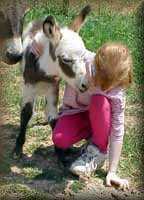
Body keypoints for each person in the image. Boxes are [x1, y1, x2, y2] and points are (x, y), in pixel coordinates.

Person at [52, 42, 132, 190]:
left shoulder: (117, 91)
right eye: (99, 80)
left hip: (101, 114)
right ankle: (93, 134)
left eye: (110, 86)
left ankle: (98, 150)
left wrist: (112, 172)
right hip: (75, 112)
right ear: (95, 63)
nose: (103, 87)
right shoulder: (81, 62)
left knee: (99, 99)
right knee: (60, 139)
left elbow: (117, 131)